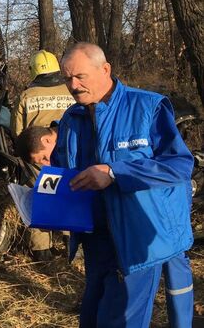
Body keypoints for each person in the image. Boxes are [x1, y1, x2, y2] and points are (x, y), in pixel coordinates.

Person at [51, 42, 193, 327]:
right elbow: (62, 170)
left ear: (105, 69)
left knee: (122, 321)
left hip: (137, 241)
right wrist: (47, 205)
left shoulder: (147, 106)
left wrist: (115, 172)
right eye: (67, 78)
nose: (73, 85)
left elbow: (179, 165)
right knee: (91, 318)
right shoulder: (71, 118)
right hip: (94, 240)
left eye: (80, 76)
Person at [18, 124, 193, 327]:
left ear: (47, 140)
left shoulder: (82, 132)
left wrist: (112, 173)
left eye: (43, 158)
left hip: (163, 208)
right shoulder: (71, 133)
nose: (47, 165)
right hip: (123, 225)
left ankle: (183, 323)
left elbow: (170, 166)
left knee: (175, 266)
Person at [11, 50, 74, 262]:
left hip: (38, 157)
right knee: (68, 197)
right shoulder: (71, 89)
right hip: (67, 155)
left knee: (40, 198)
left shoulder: (26, 96)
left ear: (33, 71)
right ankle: (72, 244)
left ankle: (41, 251)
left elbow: (18, 134)